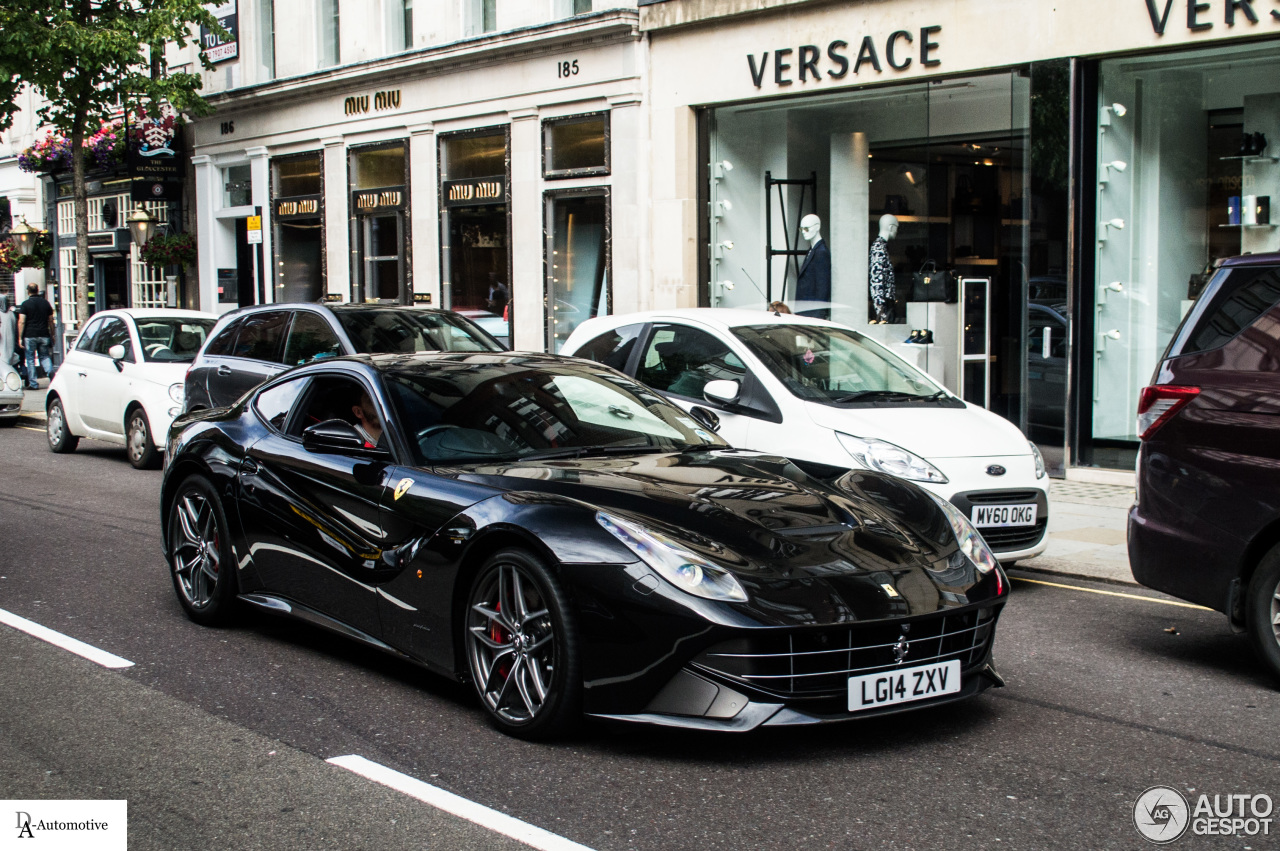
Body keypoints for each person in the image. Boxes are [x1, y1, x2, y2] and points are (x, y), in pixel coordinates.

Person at [17, 282, 55, 390]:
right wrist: (52, 335)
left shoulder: (25, 304)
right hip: (44, 334)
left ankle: (33, 384)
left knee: (30, 359)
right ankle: (51, 373)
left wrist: (19, 337)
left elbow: (22, 321)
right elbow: (51, 320)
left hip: (30, 335)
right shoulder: (46, 303)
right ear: (37, 290)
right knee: (45, 356)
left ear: (28, 291)